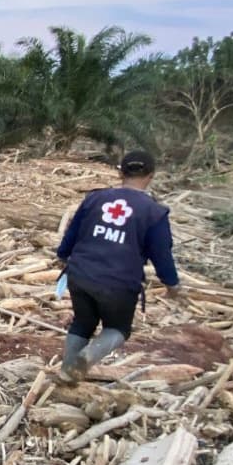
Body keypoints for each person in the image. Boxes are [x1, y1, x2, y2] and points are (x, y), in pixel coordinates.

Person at [55, 150, 181, 383]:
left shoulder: (95, 199)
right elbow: (161, 253)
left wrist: (63, 255)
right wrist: (171, 284)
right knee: (117, 329)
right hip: (119, 283)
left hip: (81, 273)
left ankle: (67, 370)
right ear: (151, 175)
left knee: (82, 323)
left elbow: (72, 233)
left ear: (120, 172)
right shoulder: (154, 212)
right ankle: (88, 356)